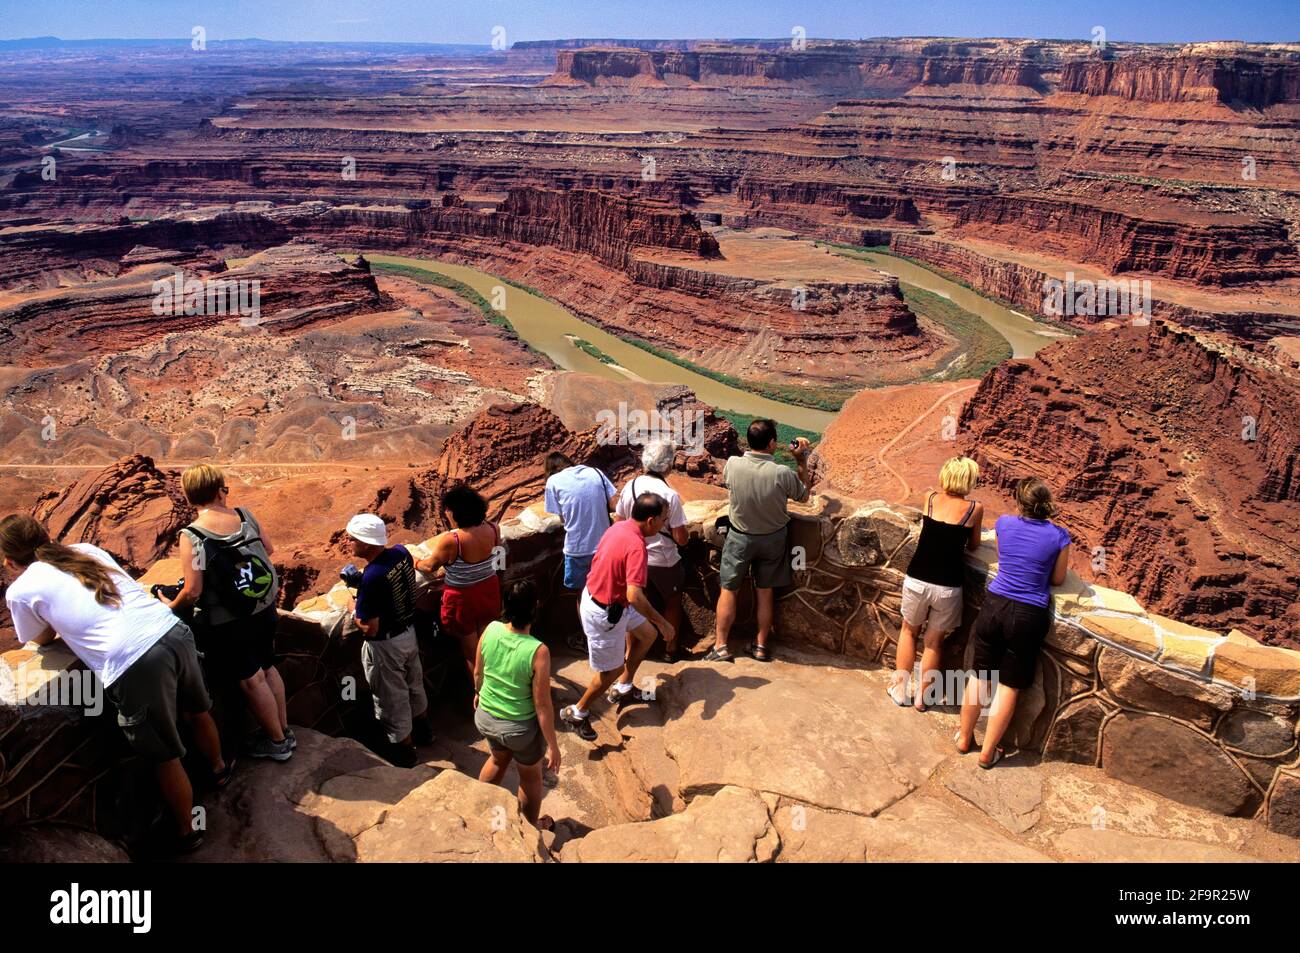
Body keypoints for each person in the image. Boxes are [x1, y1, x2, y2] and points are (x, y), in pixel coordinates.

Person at [1, 514, 229, 854]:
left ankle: (187, 830)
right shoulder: (82, 550)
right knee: (197, 710)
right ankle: (219, 771)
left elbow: (40, 639)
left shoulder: (21, 590)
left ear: (8, 560)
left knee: (163, 755)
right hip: (171, 630)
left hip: (137, 659)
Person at [161, 464, 292, 761]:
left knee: (251, 679)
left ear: (190, 495)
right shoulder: (245, 515)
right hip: (265, 607)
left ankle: (277, 743)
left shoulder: (193, 535)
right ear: (220, 488)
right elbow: (268, 550)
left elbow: (193, 590)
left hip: (232, 620)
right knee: (269, 667)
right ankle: (285, 731)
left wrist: (170, 606)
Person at [957, 477, 1071, 768]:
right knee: (1009, 686)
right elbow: (1057, 579)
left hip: (994, 605)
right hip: (1028, 614)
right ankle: (988, 752)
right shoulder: (1060, 536)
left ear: (1021, 503)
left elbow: (1003, 556)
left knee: (979, 677)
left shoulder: (1004, 524)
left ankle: (964, 738)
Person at [559, 492, 676, 742]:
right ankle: (577, 712)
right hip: (606, 612)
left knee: (647, 635)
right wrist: (663, 621)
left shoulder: (620, 527)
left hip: (608, 597)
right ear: (651, 521)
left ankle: (624, 688)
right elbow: (635, 595)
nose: (665, 524)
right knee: (610, 671)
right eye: (664, 520)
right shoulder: (636, 546)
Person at [706, 419, 810, 663]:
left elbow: (730, 483)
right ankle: (761, 645)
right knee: (765, 592)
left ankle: (721, 646)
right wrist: (801, 460)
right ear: (772, 442)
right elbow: (804, 496)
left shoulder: (733, 464)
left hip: (739, 537)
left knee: (729, 589)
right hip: (773, 540)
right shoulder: (782, 473)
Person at [888, 457, 984, 712]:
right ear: (968, 479)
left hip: (918, 577)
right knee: (934, 642)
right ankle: (922, 698)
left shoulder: (930, 498)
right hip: (947, 585)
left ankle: (899, 691)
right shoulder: (974, 508)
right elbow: (974, 545)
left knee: (909, 631)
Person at [345, 513, 433, 768]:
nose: (349, 543)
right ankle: (425, 732)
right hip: (408, 634)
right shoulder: (400, 552)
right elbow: (391, 584)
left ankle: (405, 754)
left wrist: (352, 604)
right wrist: (362, 583)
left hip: (386, 646)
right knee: (414, 685)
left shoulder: (372, 576)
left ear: (365, 544)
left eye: (352, 539)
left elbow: (369, 628)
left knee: (392, 700)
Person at [473, 579, 561, 830]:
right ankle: (530, 830)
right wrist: (553, 746)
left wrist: (478, 693)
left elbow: (479, 672)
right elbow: (542, 706)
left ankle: (478, 809)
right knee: (531, 777)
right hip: (519, 729)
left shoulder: (490, 629)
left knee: (498, 760)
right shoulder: (538, 651)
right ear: (535, 607)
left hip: (486, 717)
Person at [415, 485, 502, 681]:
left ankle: (481, 699)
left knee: (472, 655)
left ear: (457, 512)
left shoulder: (452, 540)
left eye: (448, 509)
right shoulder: (494, 528)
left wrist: (414, 561)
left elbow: (430, 567)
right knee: (489, 645)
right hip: (489, 590)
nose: (446, 512)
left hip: (463, 599)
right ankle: (499, 683)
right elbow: (497, 559)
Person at [614, 440, 688, 662]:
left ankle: (630, 653)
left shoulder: (630, 486)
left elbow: (619, 522)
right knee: (672, 602)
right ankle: (670, 650)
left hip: (634, 557)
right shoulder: (670, 495)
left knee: (633, 605)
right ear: (668, 466)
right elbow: (681, 539)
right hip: (663, 560)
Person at [543, 452, 618, 650]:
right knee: (609, 591)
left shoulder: (553, 482)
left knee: (583, 594)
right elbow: (612, 504)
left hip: (577, 549)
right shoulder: (596, 473)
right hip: (605, 545)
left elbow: (562, 519)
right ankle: (612, 635)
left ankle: (588, 639)